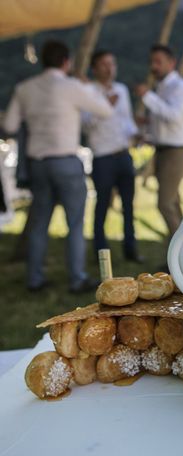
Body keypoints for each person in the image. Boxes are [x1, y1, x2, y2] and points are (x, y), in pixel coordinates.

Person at [3, 40, 114, 293]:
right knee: (75, 223)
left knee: (39, 223)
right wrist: (88, 88)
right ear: (67, 62)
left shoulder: (24, 88)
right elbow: (105, 110)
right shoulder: (71, 86)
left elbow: (9, 126)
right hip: (66, 161)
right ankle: (77, 279)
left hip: (38, 164)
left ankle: (34, 279)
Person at [84, 50, 142, 263]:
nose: (109, 68)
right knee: (102, 206)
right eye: (104, 64)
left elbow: (125, 120)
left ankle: (131, 249)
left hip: (123, 154)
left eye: (112, 63)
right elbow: (86, 124)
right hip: (102, 157)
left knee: (129, 205)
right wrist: (106, 105)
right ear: (94, 68)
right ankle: (100, 252)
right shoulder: (88, 91)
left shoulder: (122, 90)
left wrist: (135, 132)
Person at [135, 44, 183, 240]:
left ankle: (179, 257)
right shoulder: (162, 88)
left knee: (165, 204)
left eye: (158, 62)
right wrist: (148, 124)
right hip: (163, 151)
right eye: (152, 62)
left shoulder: (180, 87)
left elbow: (175, 116)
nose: (154, 66)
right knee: (173, 203)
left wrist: (148, 97)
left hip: (175, 152)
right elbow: (166, 120)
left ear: (172, 63)